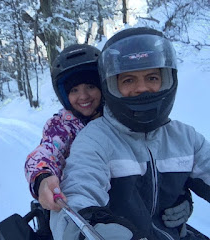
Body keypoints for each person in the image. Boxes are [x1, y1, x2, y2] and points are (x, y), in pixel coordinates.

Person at [49, 27, 210, 240]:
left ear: (166, 80)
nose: (141, 88)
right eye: (128, 80)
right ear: (111, 86)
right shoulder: (95, 139)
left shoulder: (185, 138)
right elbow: (78, 190)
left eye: (152, 77)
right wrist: (86, 229)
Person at [25, 43, 103, 211]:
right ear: (64, 95)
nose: (83, 96)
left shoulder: (117, 118)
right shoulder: (62, 126)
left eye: (90, 86)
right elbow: (47, 151)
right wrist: (43, 178)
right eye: (74, 90)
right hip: (79, 204)